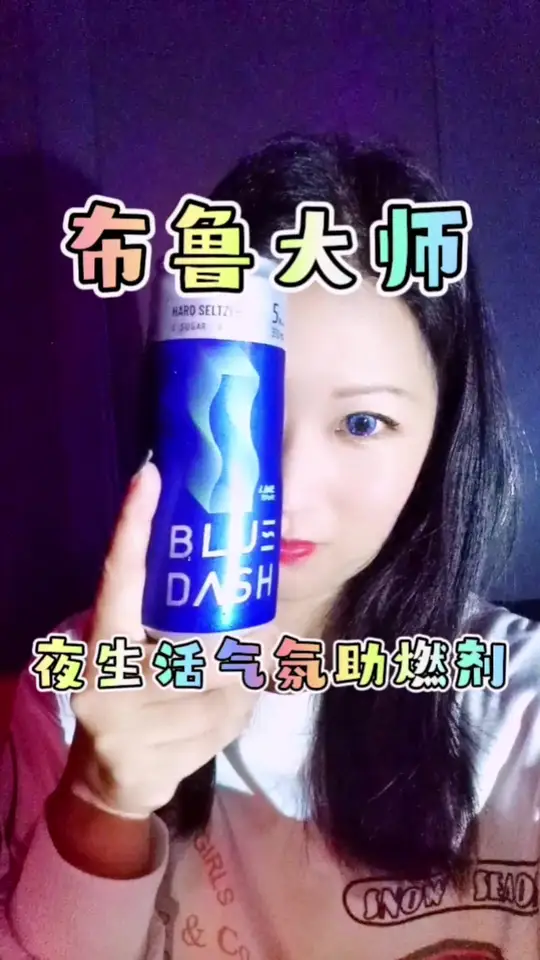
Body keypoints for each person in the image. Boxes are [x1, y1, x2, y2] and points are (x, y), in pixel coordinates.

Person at [1, 133, 539, 960]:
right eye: (246, 408)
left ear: (441, 440)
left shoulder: (515, 703)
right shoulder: (73, 697)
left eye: (363, 422)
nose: (281, 483)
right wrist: (101, 807)